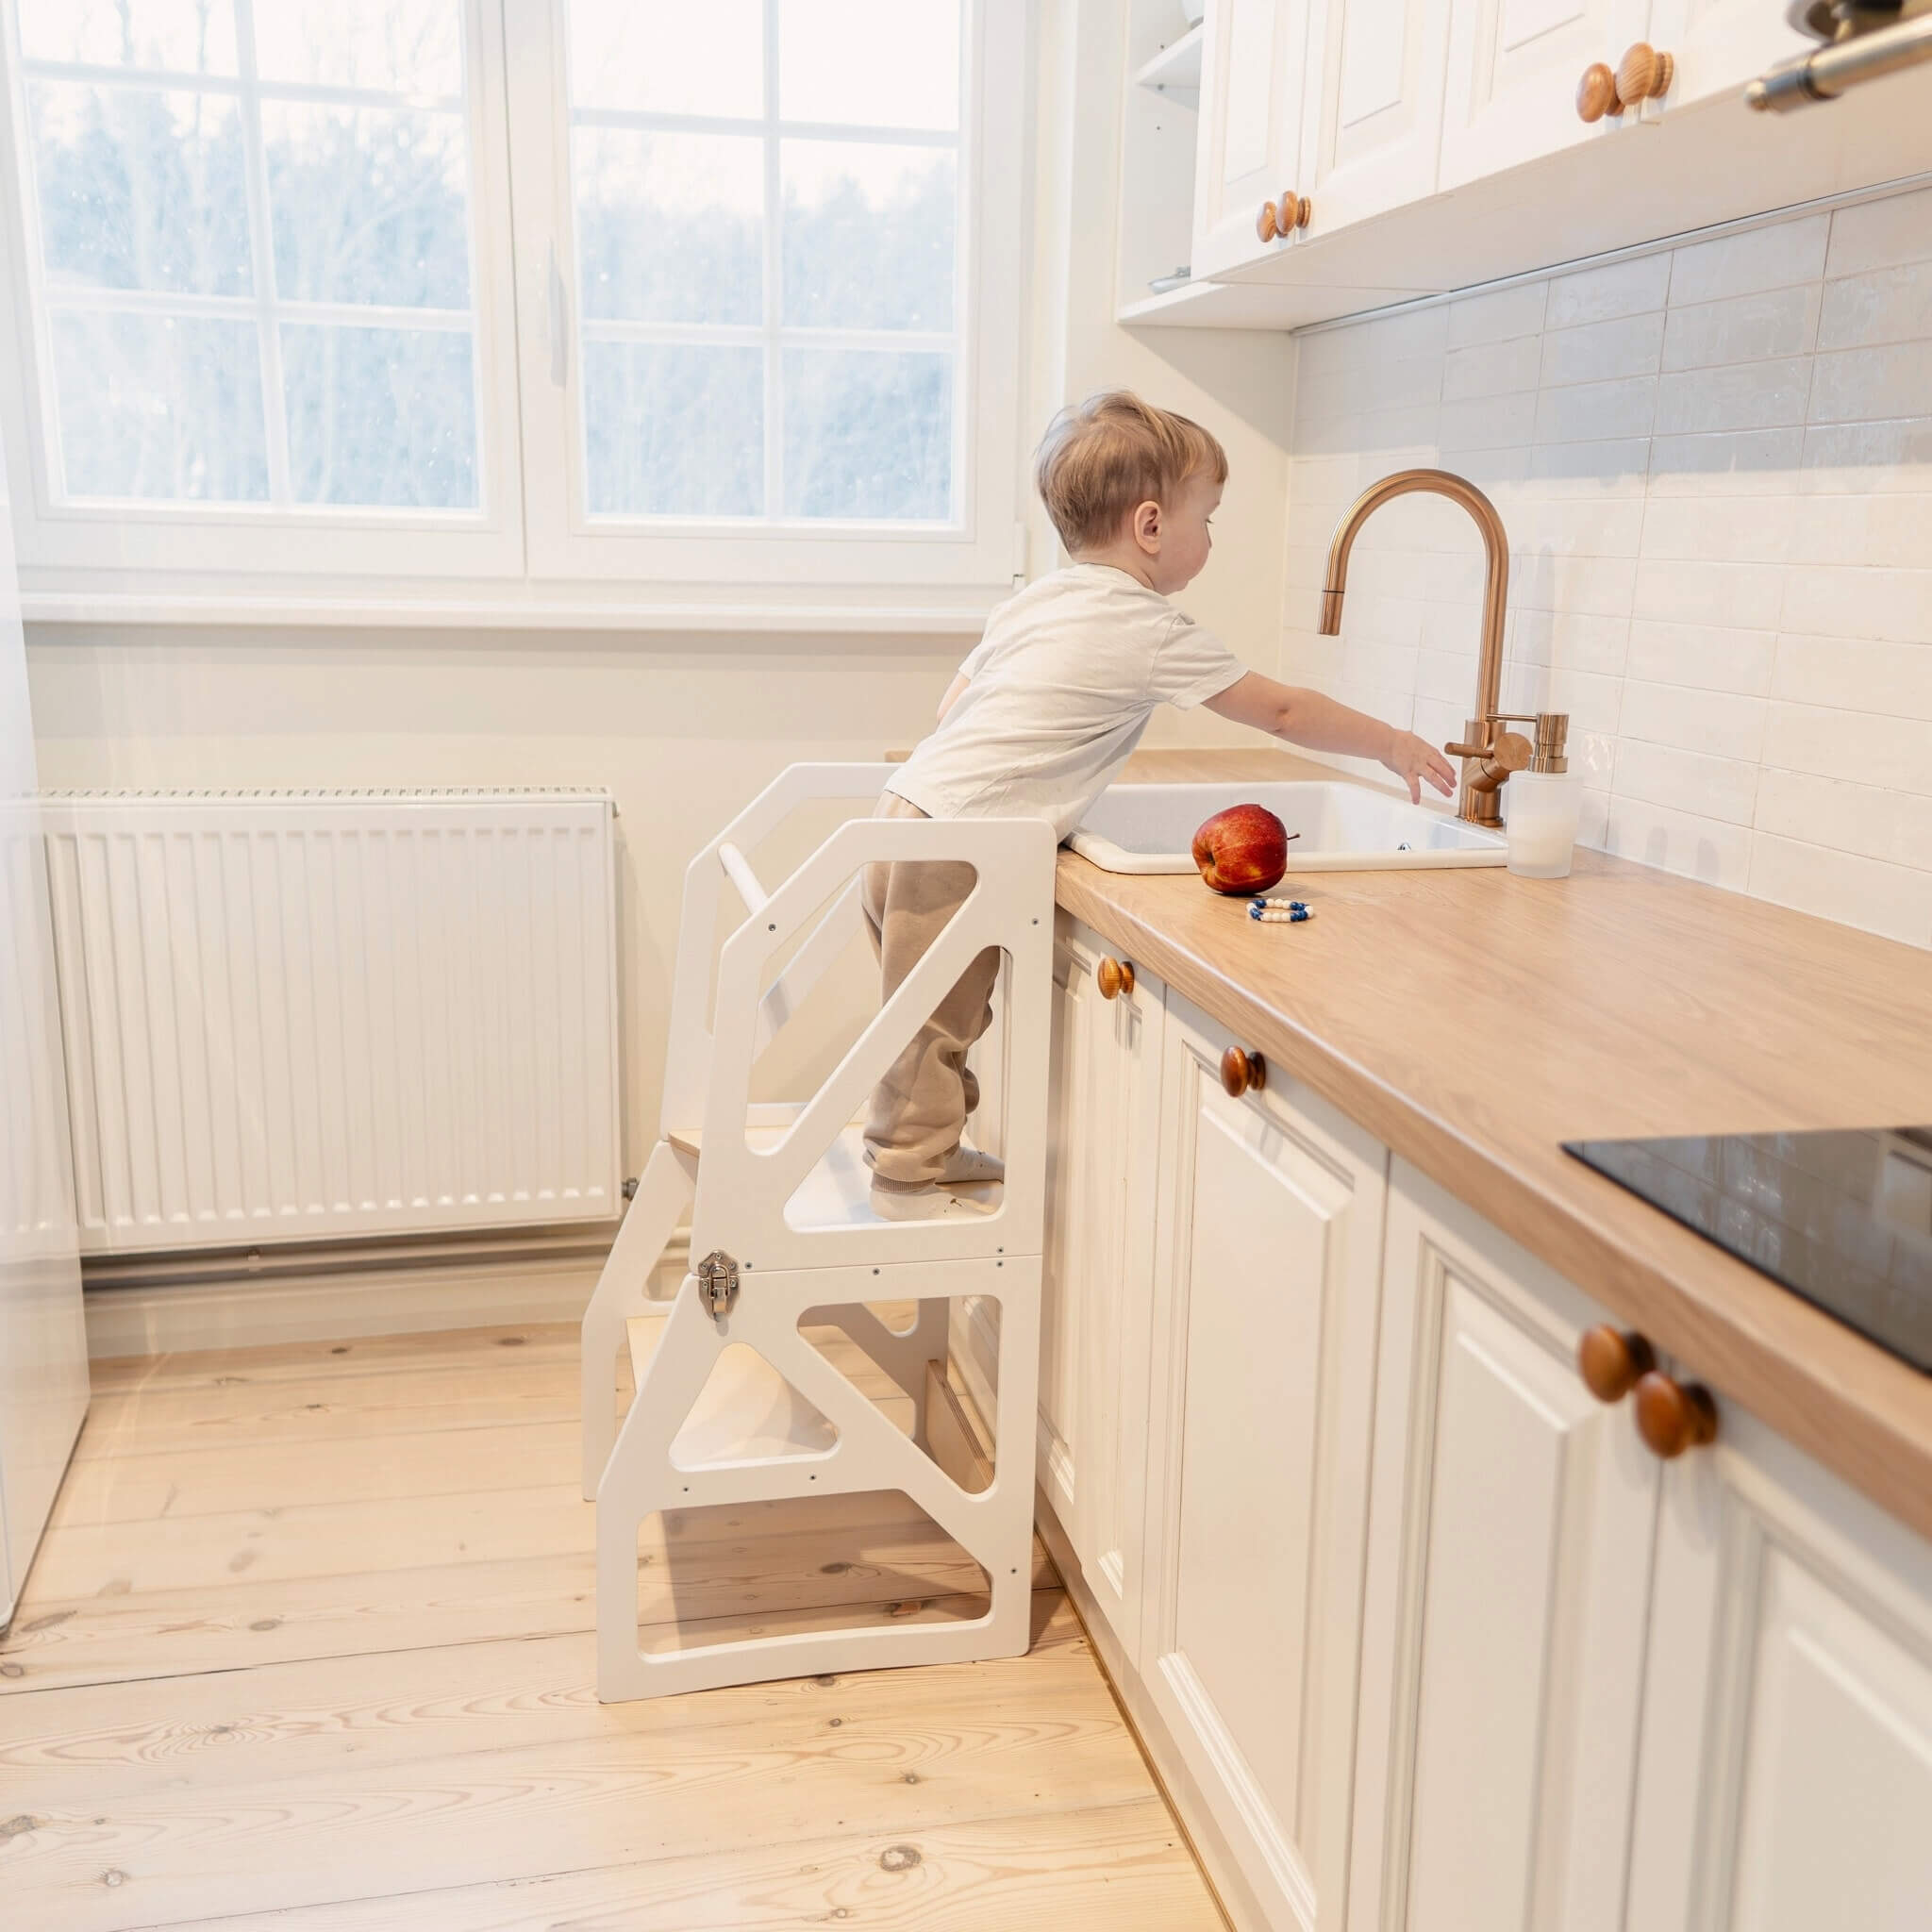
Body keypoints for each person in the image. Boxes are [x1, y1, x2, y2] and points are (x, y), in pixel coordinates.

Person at [861, 390, 1457, 1222]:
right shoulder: (1145, 626)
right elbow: (1280, 712)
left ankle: (928, 1148)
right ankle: (905, 1177)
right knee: (937, 1017)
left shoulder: (1036, 600)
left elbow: (951, 705)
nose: (1210, 537)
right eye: (1207, 518)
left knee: (934, 1010)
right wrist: (1390, 742)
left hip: (908, 814)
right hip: (959, 846)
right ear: (1151, 527)